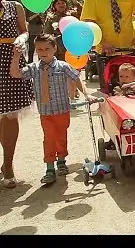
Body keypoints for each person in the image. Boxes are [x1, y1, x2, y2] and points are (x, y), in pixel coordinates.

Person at [9, 33, 94, 185]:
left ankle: (61, 161)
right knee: (49, 138)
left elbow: (76, 78)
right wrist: (16, 56)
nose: (43, 52)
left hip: (62, 110)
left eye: (47, 48)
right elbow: (15, 74)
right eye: (40, 49)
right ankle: (49, 169)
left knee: (61, 135)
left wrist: (87, 95)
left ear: (54, 48)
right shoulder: (34, 68)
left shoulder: (63, 66)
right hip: (46, 112)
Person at [0, 0, 35, 188]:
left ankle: (9, 165)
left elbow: (24, 31)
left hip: (10, 63)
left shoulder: (15, 7)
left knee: (9, 117)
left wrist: (22, 39)